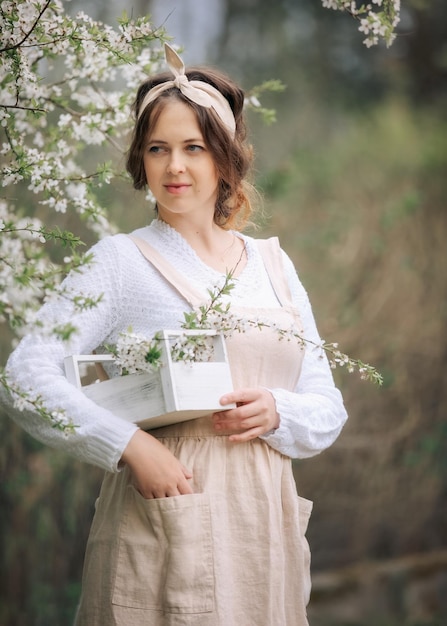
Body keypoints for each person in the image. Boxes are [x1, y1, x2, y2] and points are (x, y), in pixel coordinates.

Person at [1, 43, 348, 625]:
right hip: (162, 513)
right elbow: (24, 376)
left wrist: (277, 412)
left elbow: (328, 405)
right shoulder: (118, 262)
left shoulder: (272, 266)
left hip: (262, 523)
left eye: (194, 148)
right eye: (157, 149)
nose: (174, 167)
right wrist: (127, 446)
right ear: (141, 160)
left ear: (226, 158)